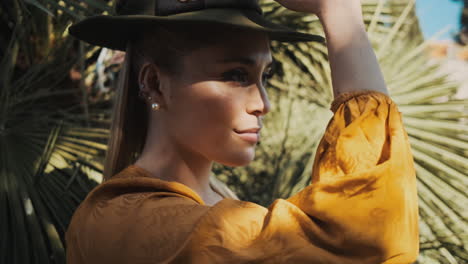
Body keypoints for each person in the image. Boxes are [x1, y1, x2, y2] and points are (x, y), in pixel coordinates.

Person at [65, 0, 419, 263]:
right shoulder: (124, 219)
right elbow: (367, 236)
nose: (262, 102)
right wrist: (338, 11)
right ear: (154, 83)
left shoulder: (217, 206)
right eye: (236, 75)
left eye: (264, 77)